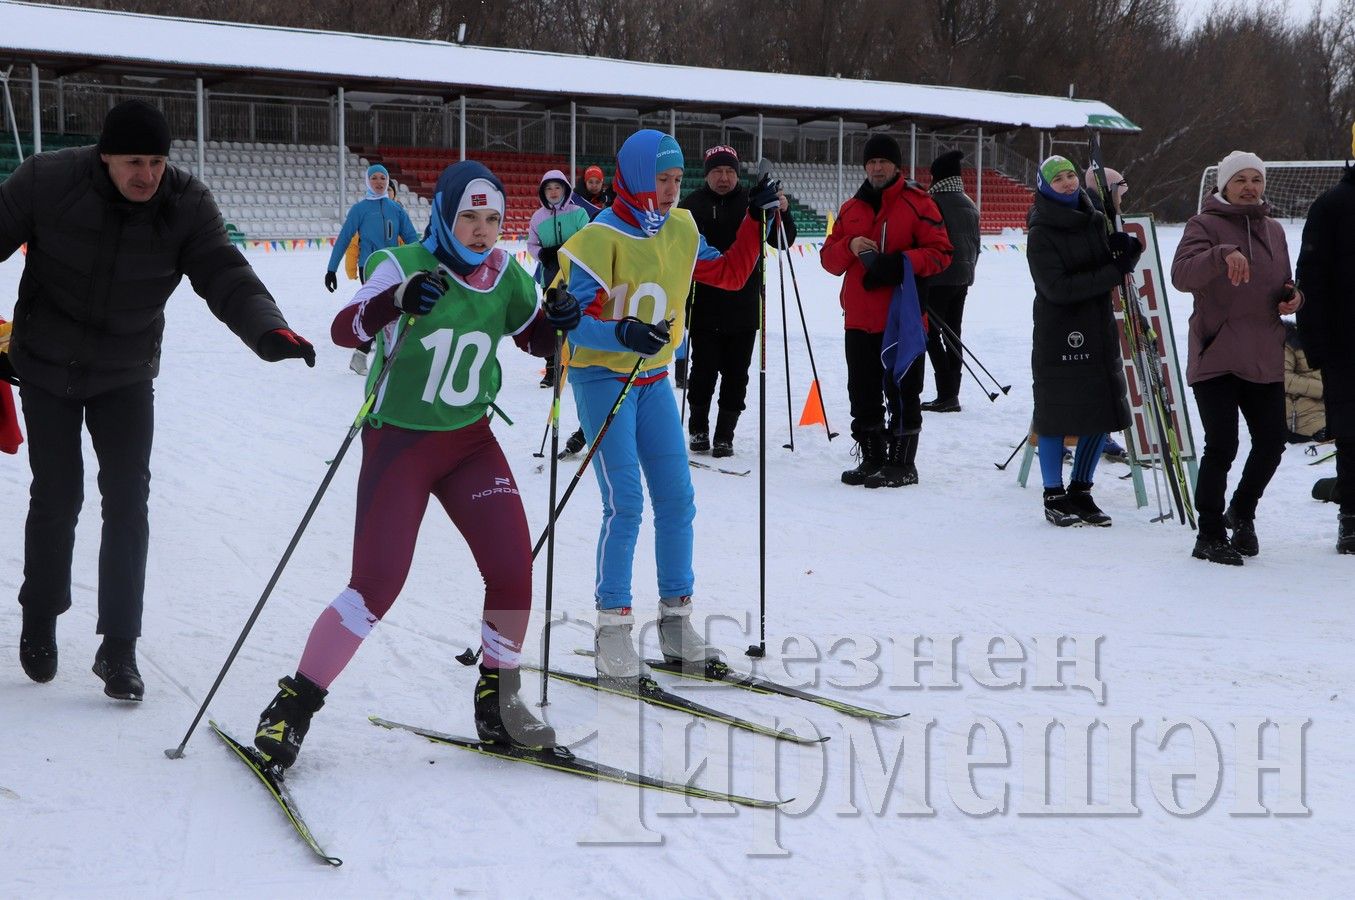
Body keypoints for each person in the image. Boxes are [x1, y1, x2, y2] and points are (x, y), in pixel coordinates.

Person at [253, 161, 580, 768]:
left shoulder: (505, 274)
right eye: (468, 218)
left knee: (512, 570)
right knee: (376, 584)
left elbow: (532, 335)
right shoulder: (400, 264)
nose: (481, 231)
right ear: (444, 217)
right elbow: (343, 329)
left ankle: (498, 704)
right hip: (400, 443)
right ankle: (291, 707)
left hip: (471, 444)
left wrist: (558, 321)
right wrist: (396, 301)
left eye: (490, 219)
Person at [0, 99, 316, 701]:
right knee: (57, 494)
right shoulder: (47, 180)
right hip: (45, 363)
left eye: (156, 161)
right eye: (132, 161)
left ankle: (119, 646)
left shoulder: (185, 203)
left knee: (127, 501)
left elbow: (224, 272)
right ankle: (40, 614)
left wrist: (268, 330)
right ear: (104, 156)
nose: (146, 175)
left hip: (124, 370)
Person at [554, 128, 780, 682]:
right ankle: (612, 629)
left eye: (679, 180)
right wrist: (621, 334)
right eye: (661, 179)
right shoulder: (597, 237)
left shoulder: (681, 227)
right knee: (625, 503)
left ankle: (677, 623)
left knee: (678, 500)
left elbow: (728, 272)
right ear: (633, 178)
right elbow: (568, 324)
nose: (672, 190)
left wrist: (755, 219)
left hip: (654, 380)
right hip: (602, 379)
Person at [1172, 151, 1302, 565]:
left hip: (1263, 351)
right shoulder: (1203, 225)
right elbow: (1181, 275)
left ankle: (1241, 512)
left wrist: (1294, 297)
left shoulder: (1274, 230)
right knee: (1222, 444)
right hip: (1217, 354)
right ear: (1224, 184)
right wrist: (1219, 253)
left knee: (1272, 441)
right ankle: (1208, 532)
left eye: (1256, 180)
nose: (1250, 186)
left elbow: (1282, 281)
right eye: (1241, 179)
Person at [820, 133, 953, 488]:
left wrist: (902, 263)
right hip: (859, 319)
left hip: (903, 318)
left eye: (883, 161)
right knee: (861, 391)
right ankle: (873, 457)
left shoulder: (918, 203)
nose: (877, 168)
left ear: (897, 166)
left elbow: (942, 253)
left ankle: (903, 463)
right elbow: (828, 260)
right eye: (871, 162)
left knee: (904, 390)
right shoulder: (850, 209)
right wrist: (848, 244)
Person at [1026, 155, 1139, 528]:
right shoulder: (1041, 230)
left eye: (1071, 175)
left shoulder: (1093, 218)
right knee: (1056, 413)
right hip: (1059, 329)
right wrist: (1113, 271)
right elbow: (1057, 288)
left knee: (1098, 410)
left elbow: (1109, 259)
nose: (1069, 183)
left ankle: (1081, 491)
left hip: (1097, 325)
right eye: (1058, 179)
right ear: (1045, 187)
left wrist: (1125, 251)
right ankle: (1053, 494)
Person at [678, 145, 794, 457]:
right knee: (702, 372)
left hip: (744, 306)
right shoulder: (691, 205)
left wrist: (783, 211)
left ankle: (724, 435)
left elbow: (783, 241)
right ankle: (698, 429)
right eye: (717, 171)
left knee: (736, 375)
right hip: (704, 305)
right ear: (707, 174)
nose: (724, 177)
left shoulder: (751, 201)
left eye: (729, 171)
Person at [1296, 160, 1355, 553]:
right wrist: (1314, 343)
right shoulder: (1332, 204)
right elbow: (1310, 276)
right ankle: (1351, 518)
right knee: (1351, 434)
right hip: (1345, 342)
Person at [324, 163, 419, 376]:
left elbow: (413, 239)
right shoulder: (360, 209)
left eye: (383, 178)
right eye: (374, 178)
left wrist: (424, 263)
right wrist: (332, 269)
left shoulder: (396, 209)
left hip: (394, 265)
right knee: (379, 311)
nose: (379, 182)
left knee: (395, 312)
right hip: (369, 266)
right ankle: (368, 357)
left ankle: (372, 357)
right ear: (368, 181)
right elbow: (344, 239)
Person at [921, 150, 979, 413]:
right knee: (954, 335)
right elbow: (976, 246)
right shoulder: (969, 202)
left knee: (931, 335)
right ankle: (952, 392)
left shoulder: (933, 202)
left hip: (938, 278)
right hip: (962, 279)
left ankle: (946, 393)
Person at [528, 169, 590, 388]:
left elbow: (587, 239)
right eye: (548, 188)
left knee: (577, 319)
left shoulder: (579, 213)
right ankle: (553, 370)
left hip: (576, 276)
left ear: (565, 189)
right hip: (550, 277)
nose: (553, 192)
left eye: (557, 187)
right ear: (543, 192)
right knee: (552, 322)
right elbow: (532, 245)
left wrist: (564, 250)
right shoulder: (537, 217)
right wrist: (543, 254)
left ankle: (578, 365)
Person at [1283, 320, 1326, 443]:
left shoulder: (1334, 337)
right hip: (1304, 412)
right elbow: (1283, 378)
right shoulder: (1290, 341)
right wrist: (1325, 389)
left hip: (1333, 405)